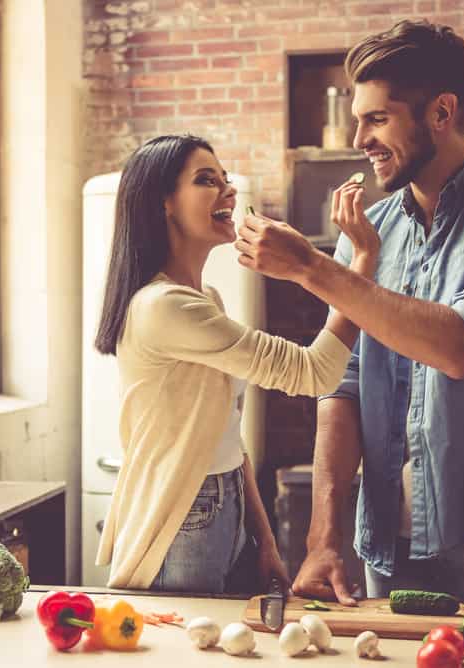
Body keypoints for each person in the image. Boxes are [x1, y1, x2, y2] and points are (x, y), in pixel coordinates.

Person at [235, 20, 464, 610]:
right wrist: (324, 538)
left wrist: (312, 269)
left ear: (442, 112)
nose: (359, 138)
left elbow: (462, 347)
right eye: (357, 119)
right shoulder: (367, 236)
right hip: (388, 547)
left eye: (377, 119)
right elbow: (340, 390)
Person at [93, 134, 381, 593]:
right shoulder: (165, 307)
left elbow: (225, 434)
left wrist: (261, 538)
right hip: (183, 515)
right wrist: (360, 263)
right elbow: (315, 373)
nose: (227, 190)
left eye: (225, 179)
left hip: (222, 503)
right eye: (207, 180)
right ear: (163, 202)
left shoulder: (203, 300)